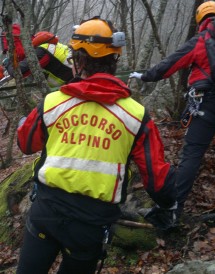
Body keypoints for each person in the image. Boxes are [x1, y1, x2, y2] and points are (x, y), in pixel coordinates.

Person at [16, 18, 177, 274]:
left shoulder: (52, 103)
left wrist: (26, 122)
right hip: (91, 225)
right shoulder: (136, 116)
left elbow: (25, 143)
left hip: (46, 213)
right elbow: (157, 178)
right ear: (114, 60)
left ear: (78, 61)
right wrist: (168, 205)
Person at [130, 1, 215, 219]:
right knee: (198, 142)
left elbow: (170, 64)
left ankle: (173, 208)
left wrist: (146, 76)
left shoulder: (203, 40)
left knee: (192, 152)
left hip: (209, 104)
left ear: (200, 21)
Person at [5, 31, 73, 90]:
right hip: (72, 83)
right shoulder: (57, 46)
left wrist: (7, 63)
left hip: (66, 86)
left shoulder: (42, 50)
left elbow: (17, 72)